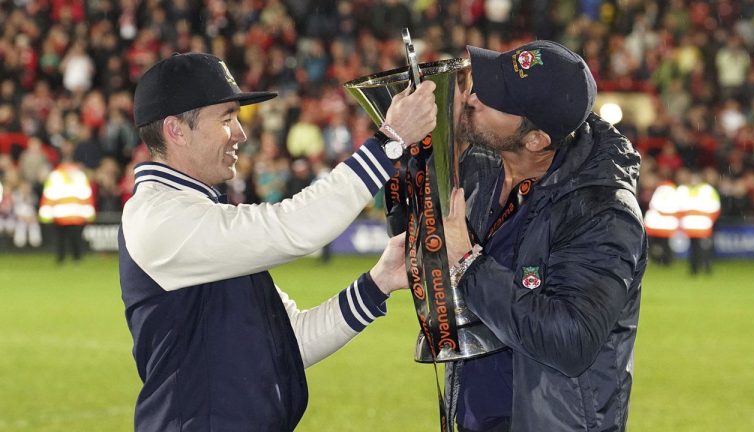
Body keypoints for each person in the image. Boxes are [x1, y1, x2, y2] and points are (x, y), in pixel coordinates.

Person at [120, 52, 436, 431]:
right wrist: (390, 142)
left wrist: (378, 282)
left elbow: (290, 343)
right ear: (176, 130)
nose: (241, 133)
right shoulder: (159, 216)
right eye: (226, 118)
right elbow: (295, 226)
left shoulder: (198, 216)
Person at [442, 41, 648, 432]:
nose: (472, 96)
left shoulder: (603, 211)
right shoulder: (481, 166)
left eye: (494, 97)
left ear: (535, 140)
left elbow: (570, 340)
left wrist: (467, 263)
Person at [38, 156, 95, 262]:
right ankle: (77, 259)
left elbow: (48, 196)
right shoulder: (80, 176)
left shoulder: (55, 176)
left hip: (59, 214)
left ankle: (60, 259)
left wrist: (45, 214)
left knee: (60, 239)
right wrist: (89, 213)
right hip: (76, 214)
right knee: (76, 239)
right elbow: (87, 196)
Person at [677, 171, 721, 274]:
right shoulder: (683, 190)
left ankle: (707, 267)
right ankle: (694, 268)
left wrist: (709, 220)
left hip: (704, 225)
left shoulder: (708, 190)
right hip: (690, 226)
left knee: (705, 247)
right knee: (694, 248)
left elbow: (715, 207)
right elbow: (678, 208)